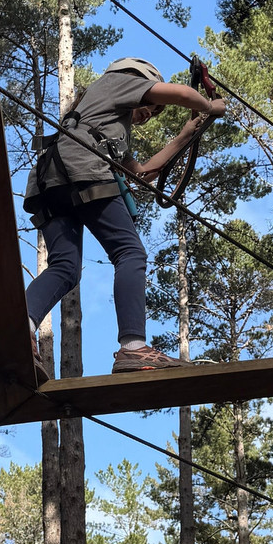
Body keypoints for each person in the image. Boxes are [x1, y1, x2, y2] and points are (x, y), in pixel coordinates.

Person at [22, 57, 227, 382]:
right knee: (130, 253)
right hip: (83, 170)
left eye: (155, 112)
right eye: (151, 105)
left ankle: (21, 330)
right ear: (140, 80)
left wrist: (189, 132)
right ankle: (133, 347)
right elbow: (182, 95)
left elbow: (143, 173)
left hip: (50, 181)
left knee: (65, 268)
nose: (150, 112)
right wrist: (209, 104)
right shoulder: (119, 80)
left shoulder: (100, 122)